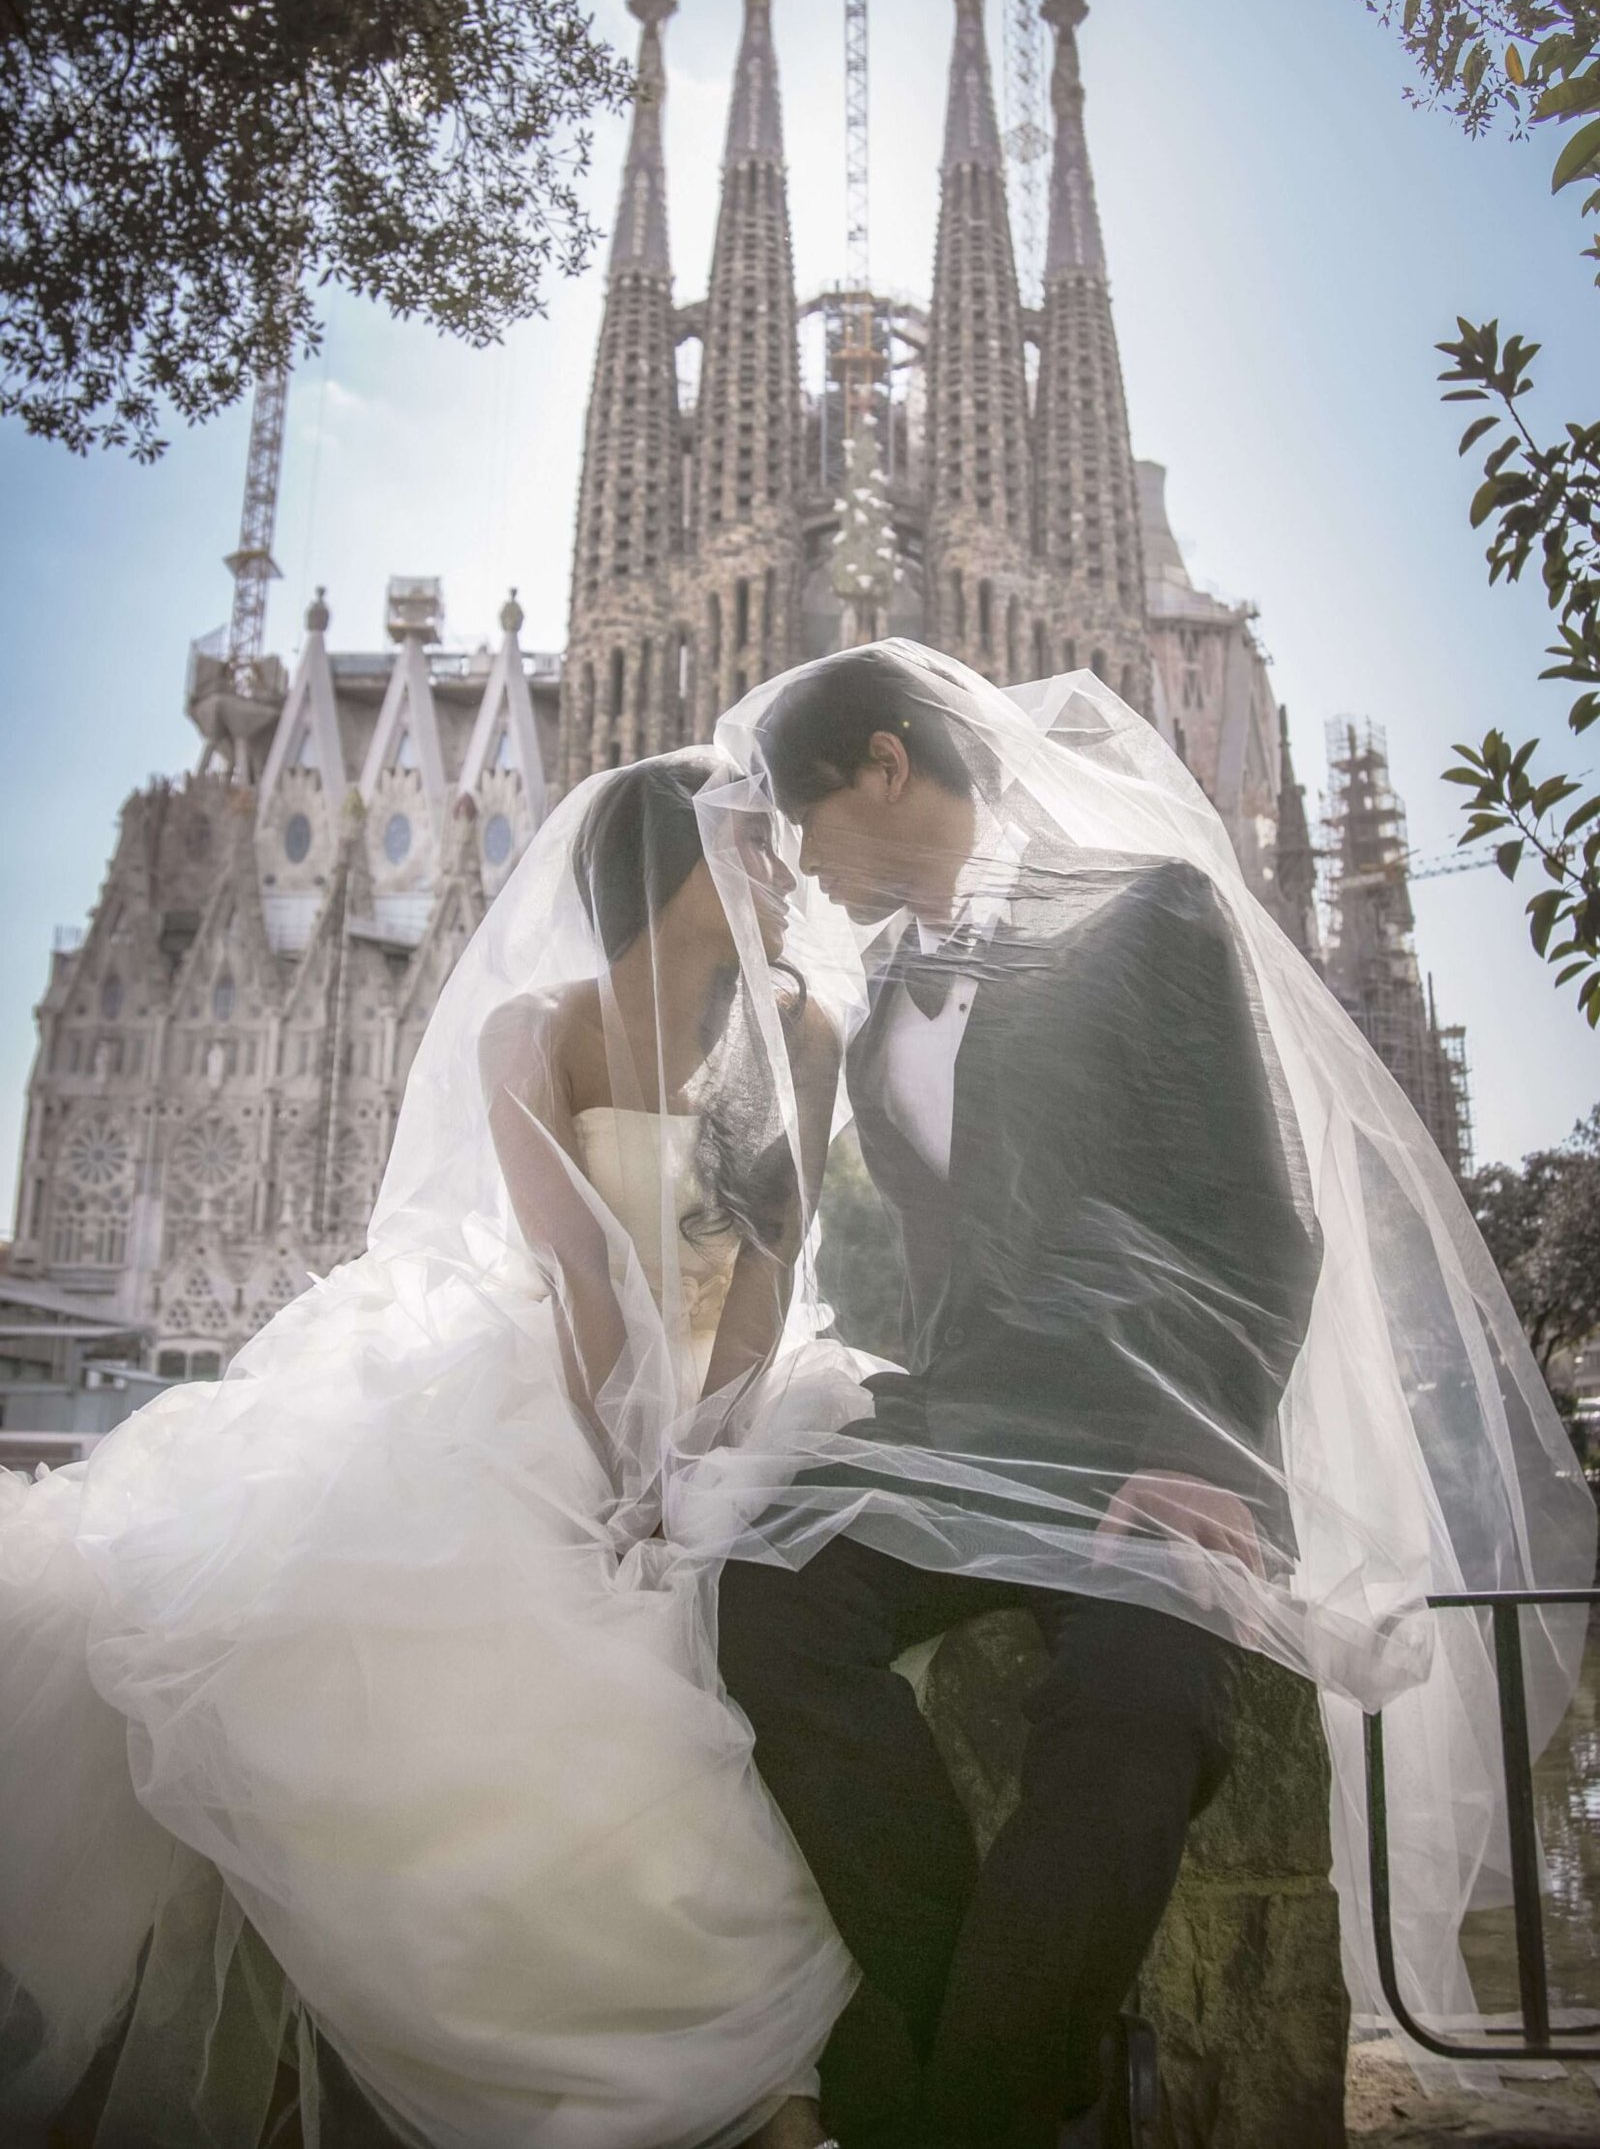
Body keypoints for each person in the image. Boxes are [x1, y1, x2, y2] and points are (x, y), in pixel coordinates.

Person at [685, 643, 1595, 2149]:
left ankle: (946, 2113)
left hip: (1155, 1420)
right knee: (762, 1604)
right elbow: (908, 1246)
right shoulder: (887, 990)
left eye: (808, 821)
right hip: (972, 1418)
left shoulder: (1148, 913)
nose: (807, 867)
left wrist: (1201, 1453)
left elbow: (1259, 1212)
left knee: (1131, 1710)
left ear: (890, 766)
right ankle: (1016, 2057)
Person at [0, 754, 858, 2149]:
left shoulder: (800, 1032)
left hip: (730, 1393)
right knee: (426, 1636)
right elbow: (580, 1269)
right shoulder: (536, 1029)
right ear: (674, 867)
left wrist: (709, 1451)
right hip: (563, 1386)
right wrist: (627, 1474)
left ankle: (738, 2082)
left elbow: (765, 1267)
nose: (785, 876)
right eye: (754, 849)